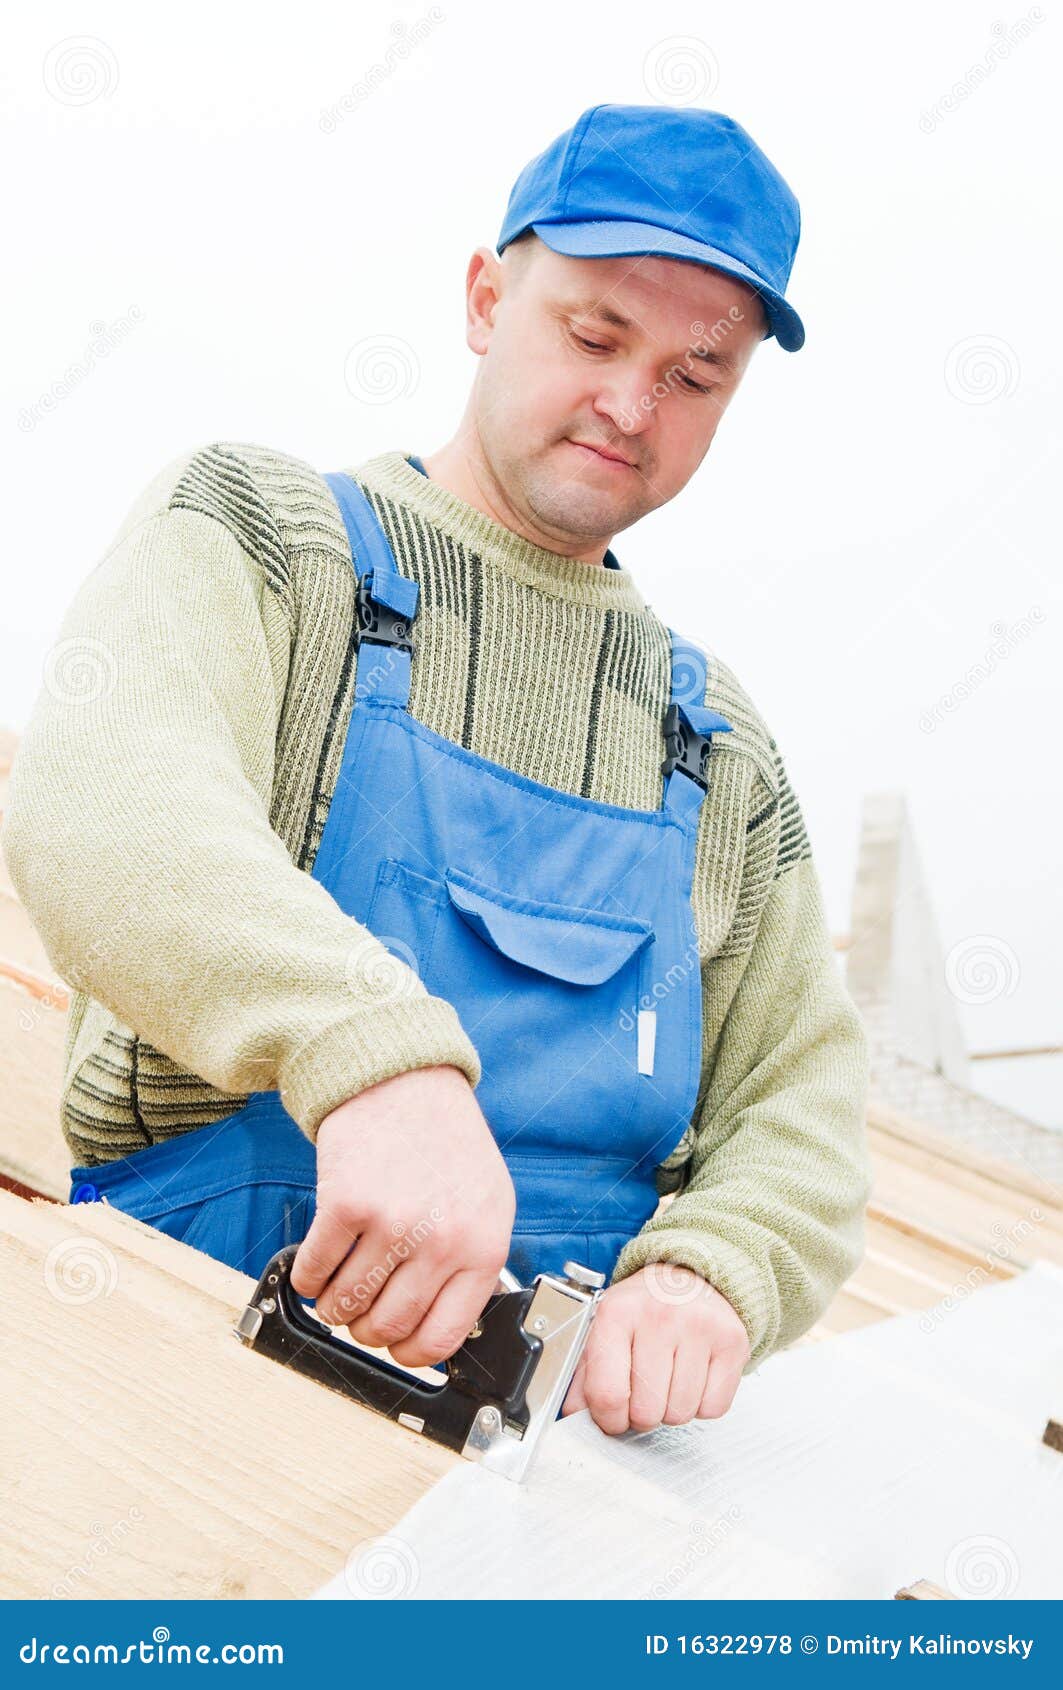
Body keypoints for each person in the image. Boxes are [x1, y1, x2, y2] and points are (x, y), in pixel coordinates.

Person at [2, 104, 871, 1437]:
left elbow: (801, 1102)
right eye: (593, 335)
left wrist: (719, 1270)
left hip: (526, 1500)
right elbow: (103, 800)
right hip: (174, 1402)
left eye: (696, 378)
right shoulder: (267, 538)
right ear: (484, 298)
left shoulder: (720, 746)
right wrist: (371, 1059)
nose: (631, 405)